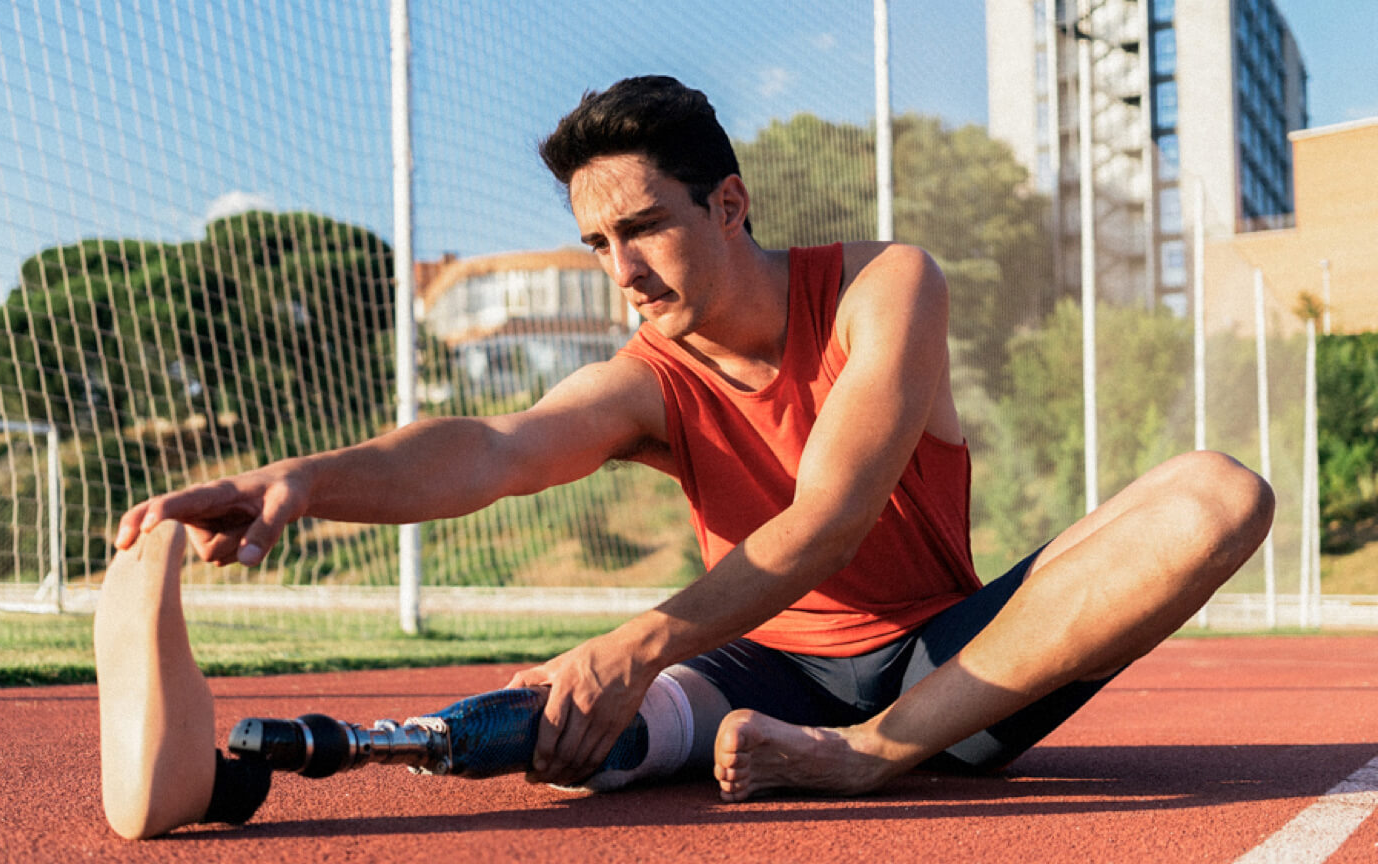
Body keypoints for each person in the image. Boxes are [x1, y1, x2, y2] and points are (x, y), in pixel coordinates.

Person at [98, 75, 1275, 839]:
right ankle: (253, 772)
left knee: (1218, 492)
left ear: (729, 204)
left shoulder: (883, 287)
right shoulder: (643, 377)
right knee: (580, 730)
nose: (620, 269)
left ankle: (863, 760)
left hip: (941, 668)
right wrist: (299, 482)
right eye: (596, 243)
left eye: (642, 227)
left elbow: (832, 520)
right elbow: (492, 448)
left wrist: (640, 634)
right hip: (749, 677)